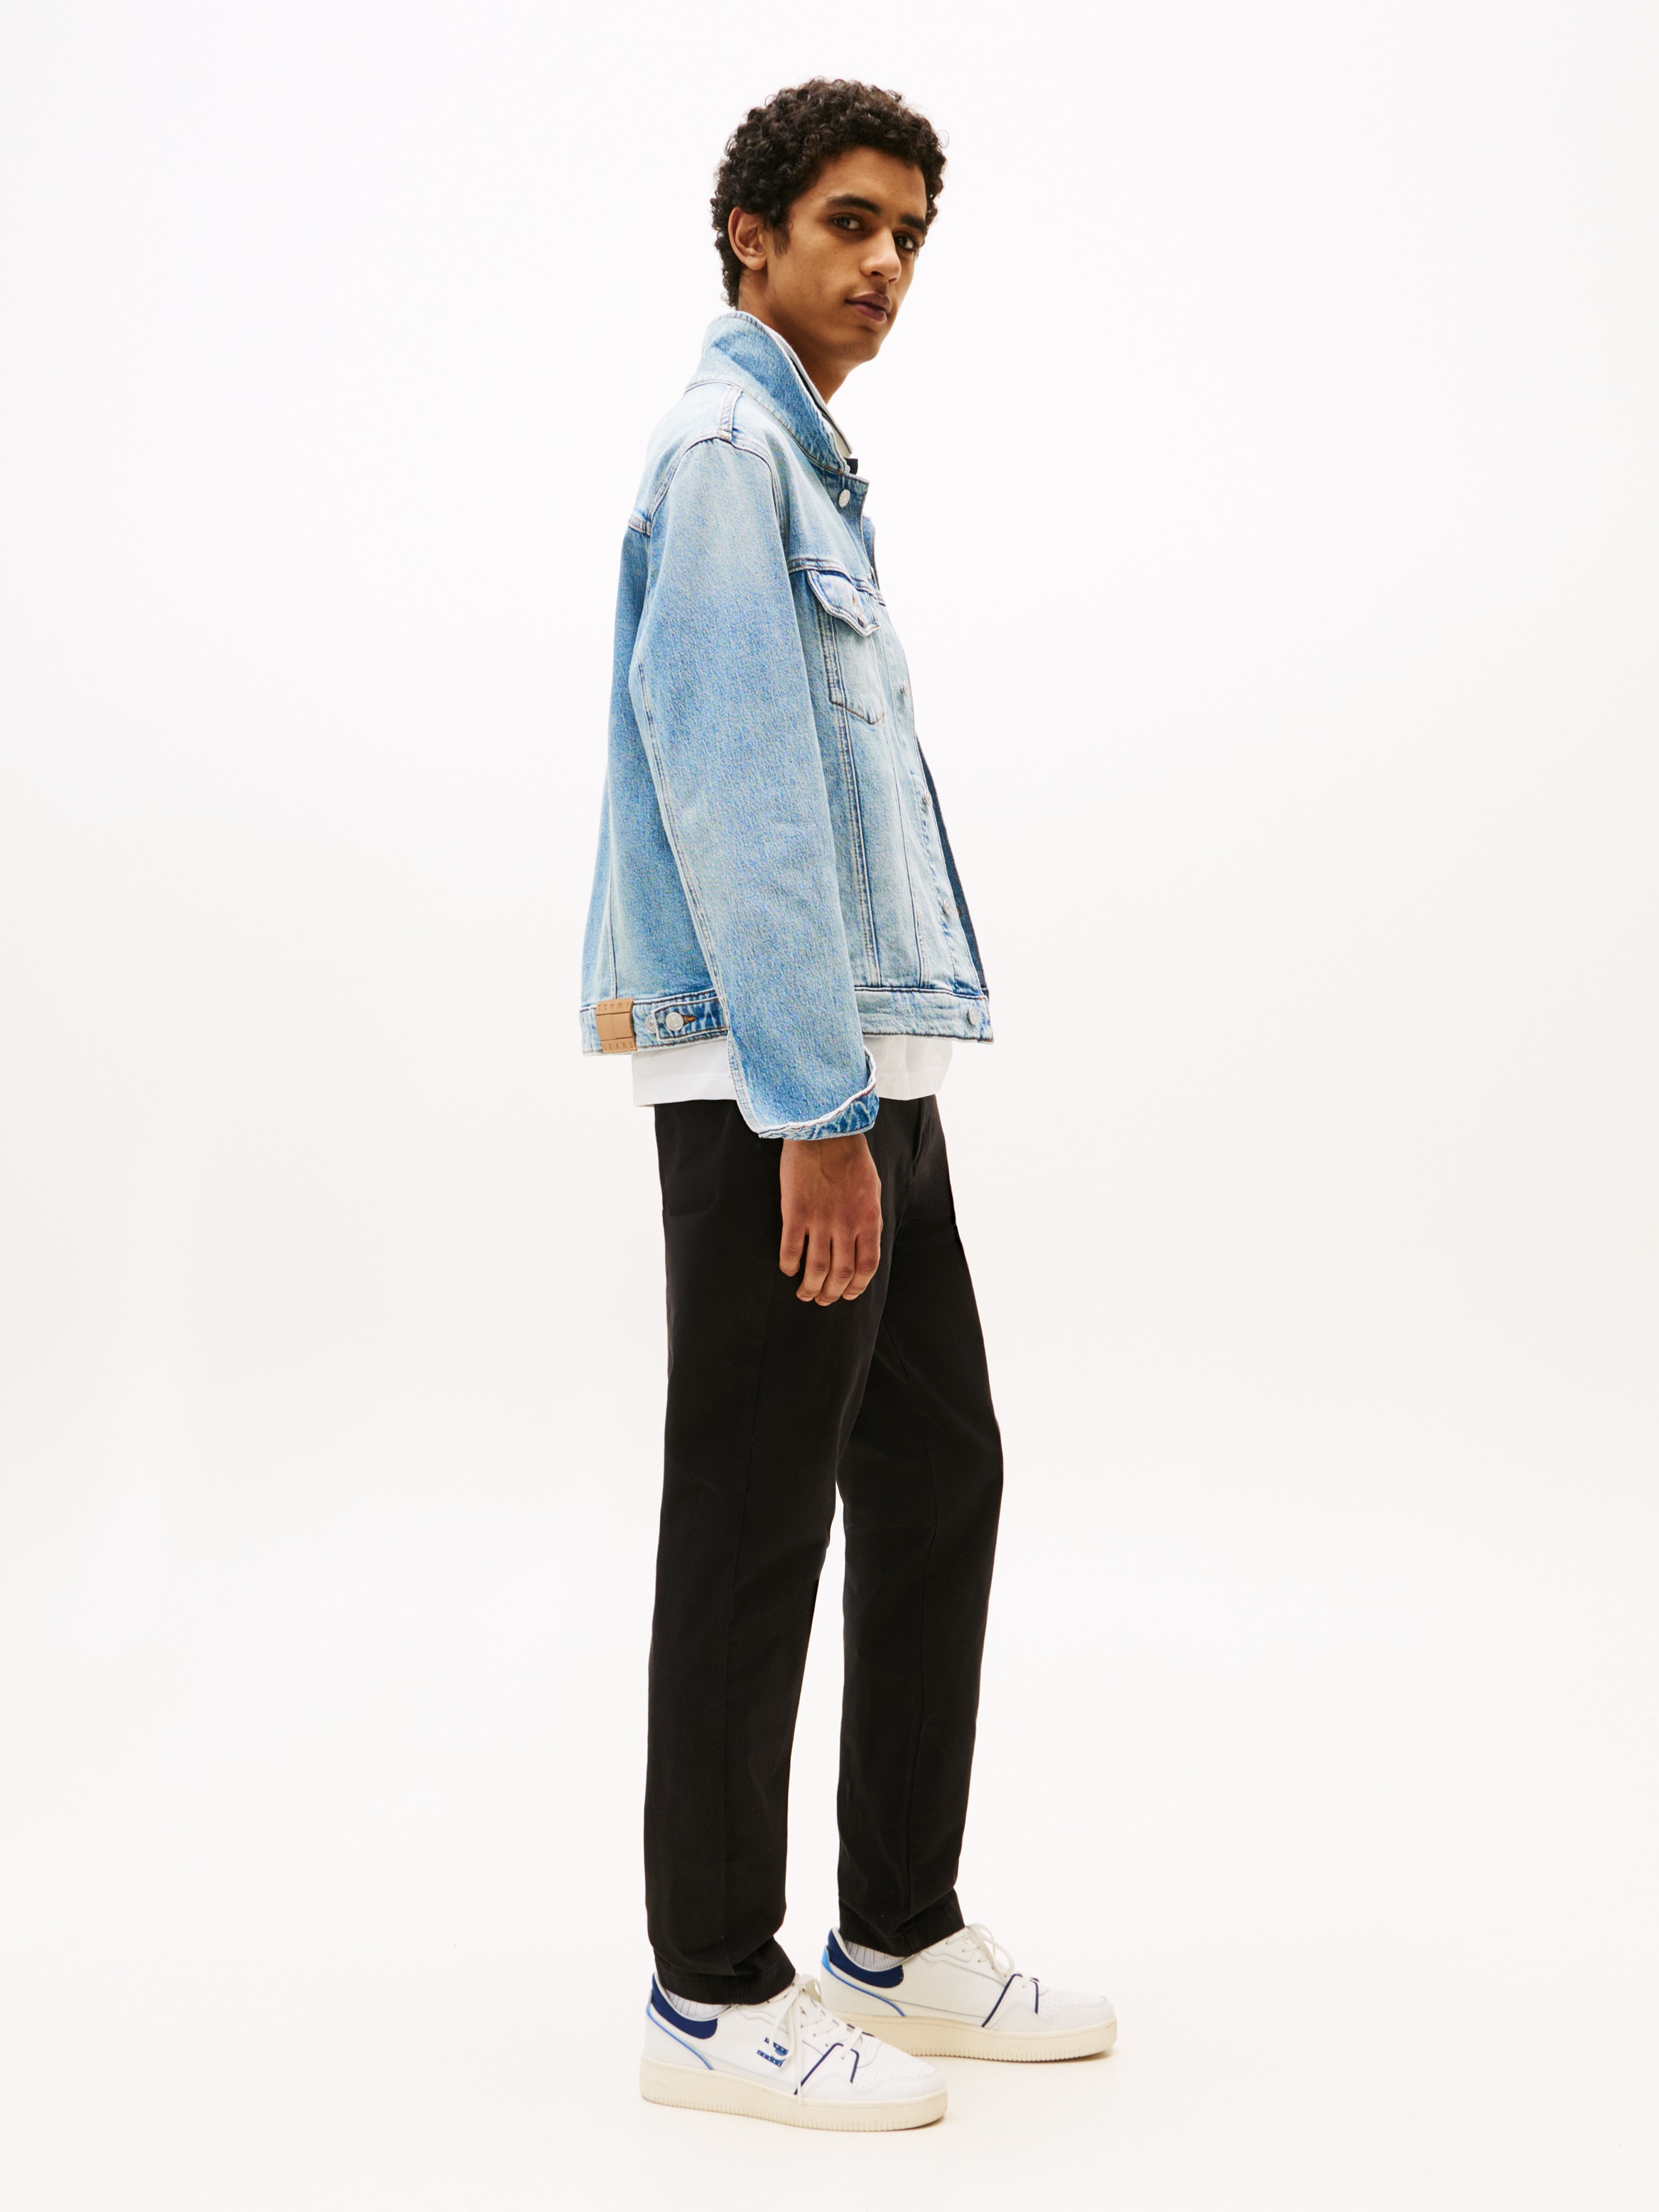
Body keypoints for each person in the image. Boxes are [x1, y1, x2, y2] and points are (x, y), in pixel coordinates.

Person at [580, 78, 1116, 2131]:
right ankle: (712, 1987)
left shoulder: (809, 464)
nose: (887, 265)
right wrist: (812, 1113)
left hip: (867, 1066)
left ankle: (895, 1930)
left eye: (910, 237)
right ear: (752, 232)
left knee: (939, 1468)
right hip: (782, 1083)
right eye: (851, 224)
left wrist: (867, 1090)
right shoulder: (730, 457)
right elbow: (740, 792)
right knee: (751, 1511)